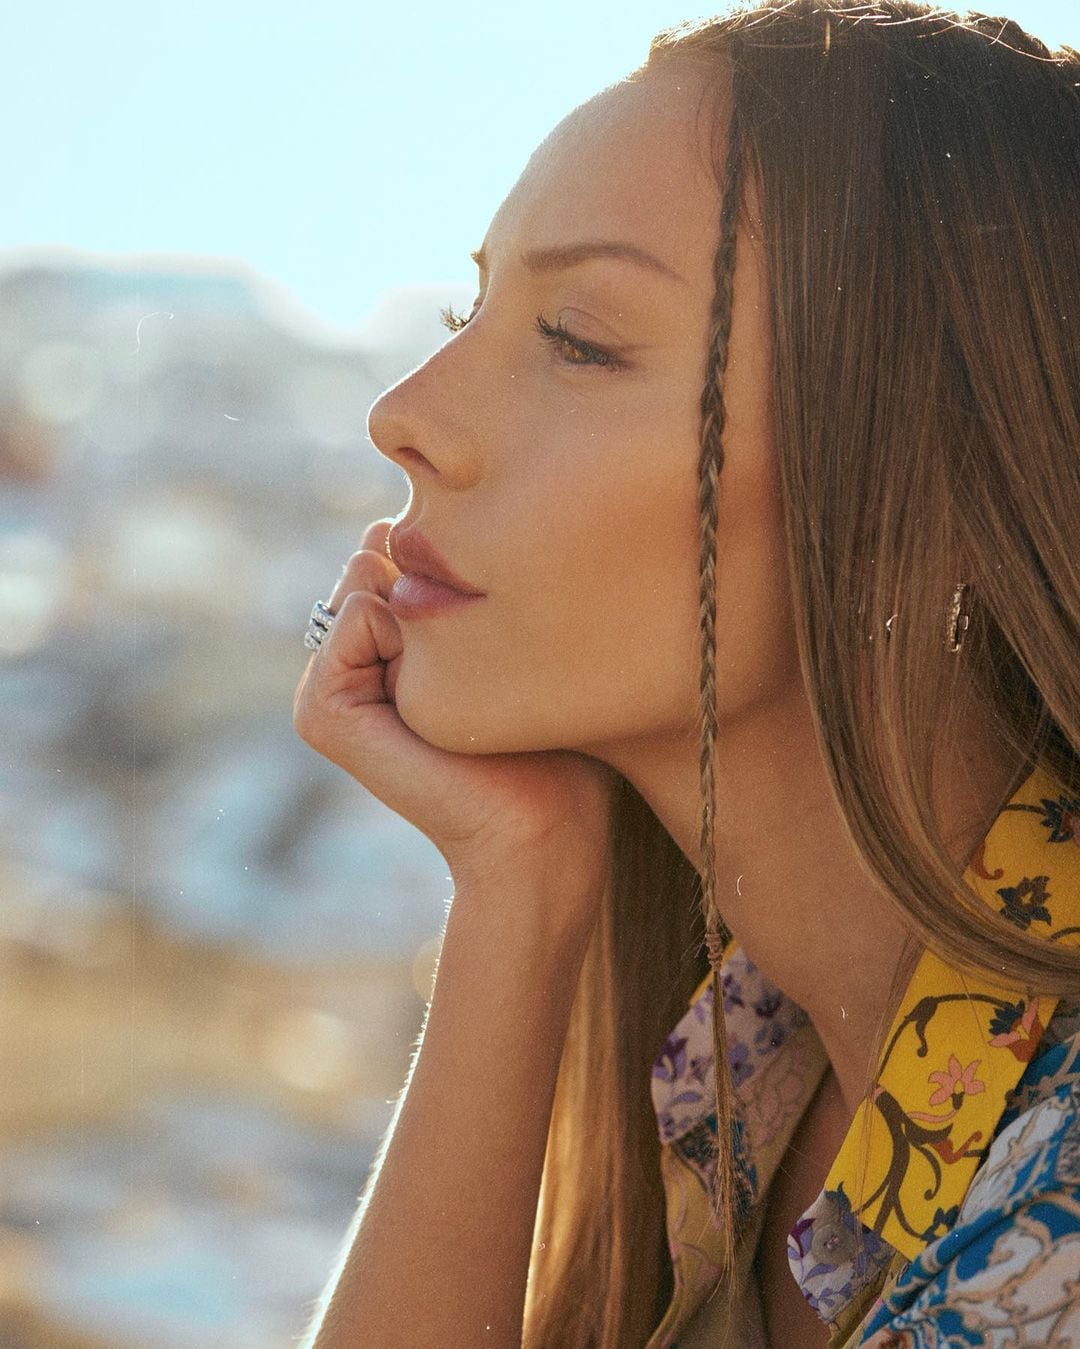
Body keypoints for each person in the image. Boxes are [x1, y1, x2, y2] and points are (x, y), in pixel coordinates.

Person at [291, 2, 1080, 1344]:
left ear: (920, 488)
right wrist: (516, 896)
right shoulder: (748, 1084)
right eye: (471, 310)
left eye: (579, 338)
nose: (406, 415)